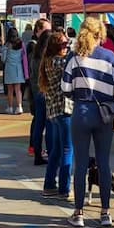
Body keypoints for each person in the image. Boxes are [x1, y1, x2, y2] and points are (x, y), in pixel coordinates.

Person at [61, 15, 114, 228]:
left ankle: (78, 212)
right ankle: (105, 212)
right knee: (104, 162)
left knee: (80, 163)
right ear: (101, 35)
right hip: (104, 112)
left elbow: (65, 88)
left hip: (81, 111)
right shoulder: (110, 57)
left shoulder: (74, 57)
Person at [39, 31, 73, 201]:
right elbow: (72, 61)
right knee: (68, 149)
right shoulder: (59, 62)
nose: (67, 47)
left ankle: (49, 185)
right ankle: (64, 188)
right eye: (64, 44)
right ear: (56, 47)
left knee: (57, 150)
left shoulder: (48, 60)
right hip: (63, 110)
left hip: (54, 112)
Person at [27, 20, 51, 165]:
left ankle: (37, 152)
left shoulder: (34, 56)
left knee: (38, 124)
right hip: (47, 93)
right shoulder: (48, 57)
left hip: (37, 92)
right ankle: (49, 151)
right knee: (49, 125)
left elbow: (32, 75)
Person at [1, 28, 27, 114]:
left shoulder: (7, 45)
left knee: (10, 90)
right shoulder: (21, 44)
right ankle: (19, 107)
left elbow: (3, 59)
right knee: (18, 89)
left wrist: (4, 49)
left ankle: (10, 107)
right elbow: (24, 57)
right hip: (18, 68)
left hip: (9, 68)